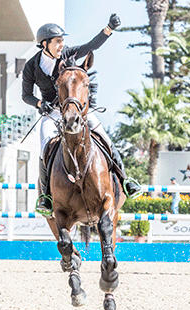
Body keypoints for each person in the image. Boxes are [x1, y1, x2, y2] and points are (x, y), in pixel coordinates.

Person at [22, 14, 142, 217]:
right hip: (51, 113)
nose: (61, 45)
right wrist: (40, 103)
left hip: (75, 110)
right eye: (57, 41)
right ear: (45, 44)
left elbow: (90, 46)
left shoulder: (68, 54)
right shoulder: (31, 66)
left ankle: (125, 180)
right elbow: (26, 95)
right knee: (44, 149)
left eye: (62, 41)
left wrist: (108, 29)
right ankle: (46, 197)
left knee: (104, 137)